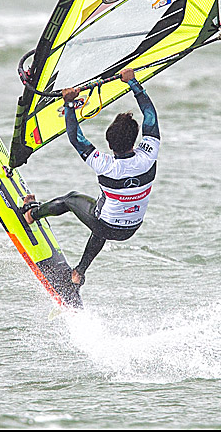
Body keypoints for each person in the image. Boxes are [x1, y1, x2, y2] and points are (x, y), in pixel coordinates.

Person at [20, 67, 159, 287]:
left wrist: (69, 104)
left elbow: (77, 138)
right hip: (132, 228)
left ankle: (31, 214)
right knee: (104, 211)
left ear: (110, 144)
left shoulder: (105, 165)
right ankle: (78, 273)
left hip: (106, 224)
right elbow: (150, 116)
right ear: (134, 141)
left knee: (72, 199)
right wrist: (133, 83)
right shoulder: (149, 156)